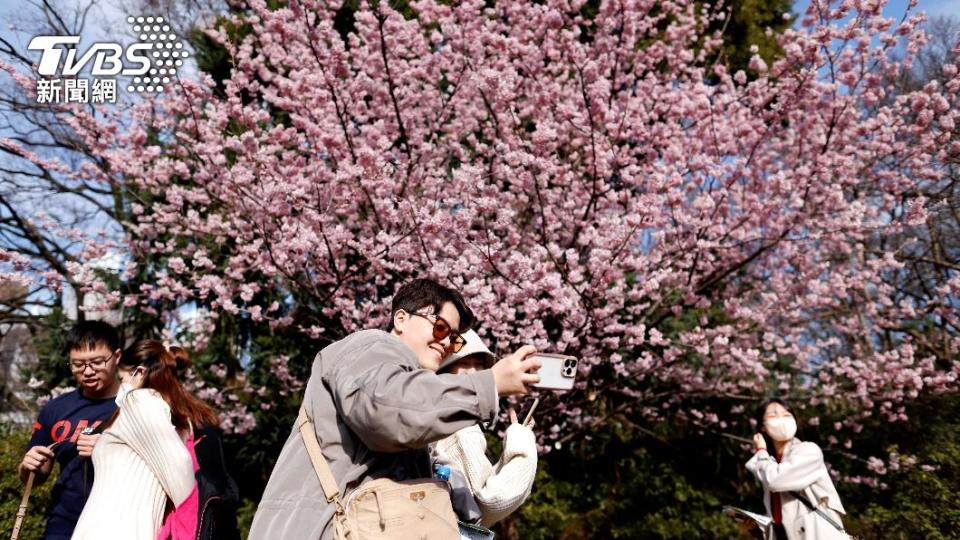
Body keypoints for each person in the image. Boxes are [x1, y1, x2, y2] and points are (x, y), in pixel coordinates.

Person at [249, 278, 542, 540]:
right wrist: (489, 384)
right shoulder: (371, 346)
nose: (446, 343)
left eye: (453, 339)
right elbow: (387, 412)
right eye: (440, 327)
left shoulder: (404, 380)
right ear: (400, 319)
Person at [71, 340, 218, 540]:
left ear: (139, 373)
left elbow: (180, 467)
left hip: (114, 529)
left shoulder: (140, 401)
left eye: (122, 378)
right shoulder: (170, 415)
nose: (121, 386)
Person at [19, 321, 121, 540]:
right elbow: (37, 477)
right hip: (64, 523)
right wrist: (28, 466)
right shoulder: (55, 409)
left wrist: (107, 448)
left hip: (121, 521)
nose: (88, 371)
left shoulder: (138, 404)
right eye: (78, 365)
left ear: (117, 357)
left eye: (97, 362)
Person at [432, 330, 539, 533]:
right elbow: (489, 502)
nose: (472, 372)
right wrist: (522, 443)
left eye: (479, 366)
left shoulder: (424, 415)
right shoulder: (461, 427)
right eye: (463, 364)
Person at [745, 399, 848, 540]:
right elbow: (780, 519)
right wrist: (757, 530)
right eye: (773, 415)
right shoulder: (771, 464)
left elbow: (775, 481)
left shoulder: (808, 450)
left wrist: (761, 451)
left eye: (787, 415)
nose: (781, 419)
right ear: (762, 427)